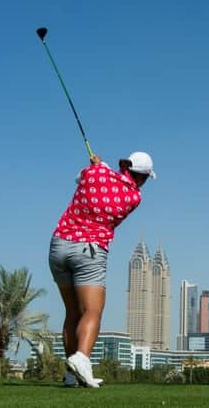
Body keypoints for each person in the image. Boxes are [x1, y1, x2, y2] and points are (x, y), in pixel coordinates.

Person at [48, 151, 155, 388]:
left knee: (72, 313)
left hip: (58, 246)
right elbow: (116, 186)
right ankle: (82, 358)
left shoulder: (95, 173)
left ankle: (70, 376)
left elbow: (81, 178)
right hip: (89, 250)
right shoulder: (134, 197)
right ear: (142, 177)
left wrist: (99, 166)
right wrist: (102, 167)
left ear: (125, 166)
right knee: (92, 311)